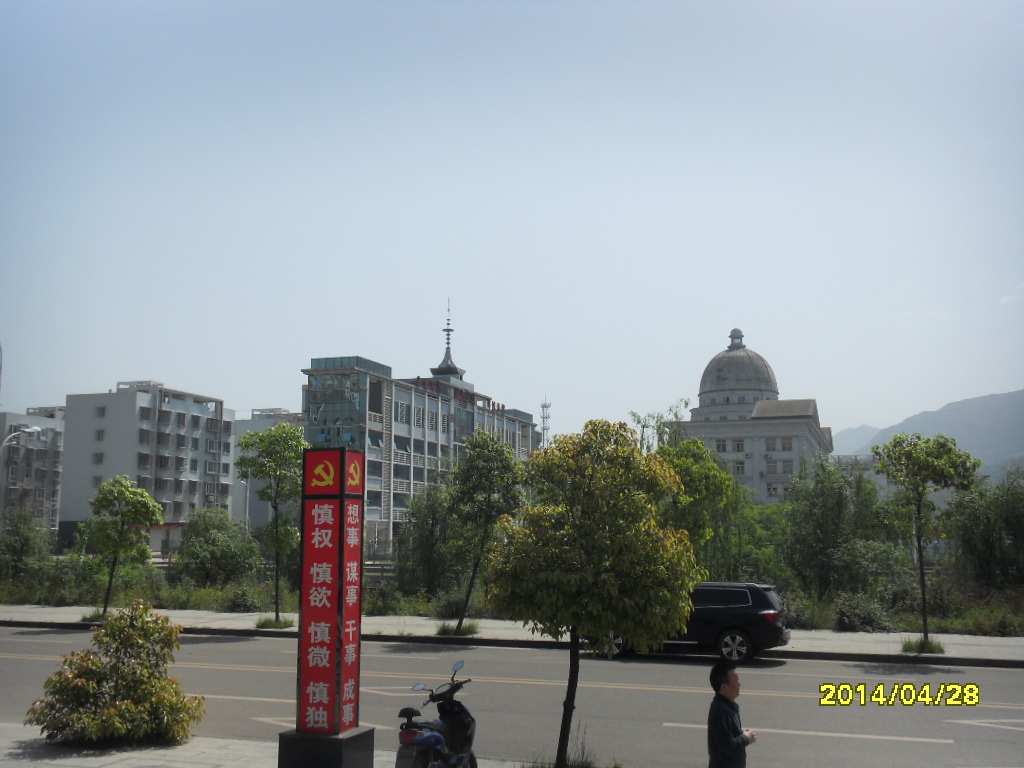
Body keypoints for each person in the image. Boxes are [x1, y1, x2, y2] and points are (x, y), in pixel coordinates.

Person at [707, 661, 757, 768]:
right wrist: (746, 738)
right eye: (736, 681)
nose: (739, 685)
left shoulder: (729, 706)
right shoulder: (720, 710)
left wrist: (740, 733)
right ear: (724, 687)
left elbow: (728, 734)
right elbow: (727, 745)